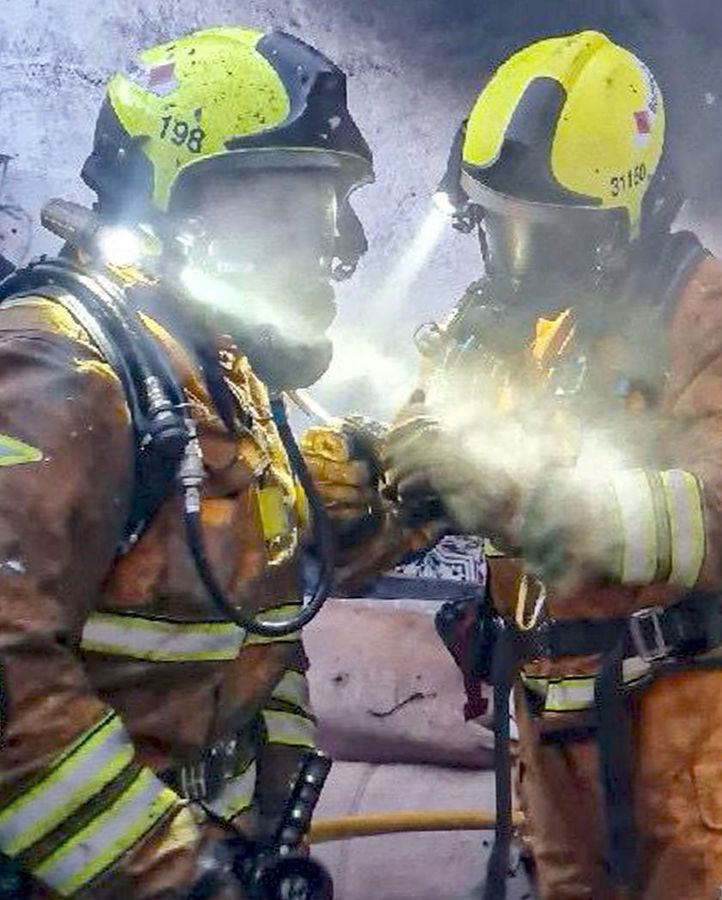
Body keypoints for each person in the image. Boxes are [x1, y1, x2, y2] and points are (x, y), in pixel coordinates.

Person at [373, 31, 722, 899]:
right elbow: (420, 442)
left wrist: (519, 499)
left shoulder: (716, 315)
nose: (520, 262)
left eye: (551, 238)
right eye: (499, 229)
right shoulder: (504, 323)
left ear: (627, 217)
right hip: (548, 732)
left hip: (681, 731)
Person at [0, 27, 375, 898]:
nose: (333, 244)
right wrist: (180, 873)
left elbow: (255, 619)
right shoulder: (59, 371)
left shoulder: (218, 377)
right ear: (176, 206)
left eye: (329, 208)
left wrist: (268, 816)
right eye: (293, 207)